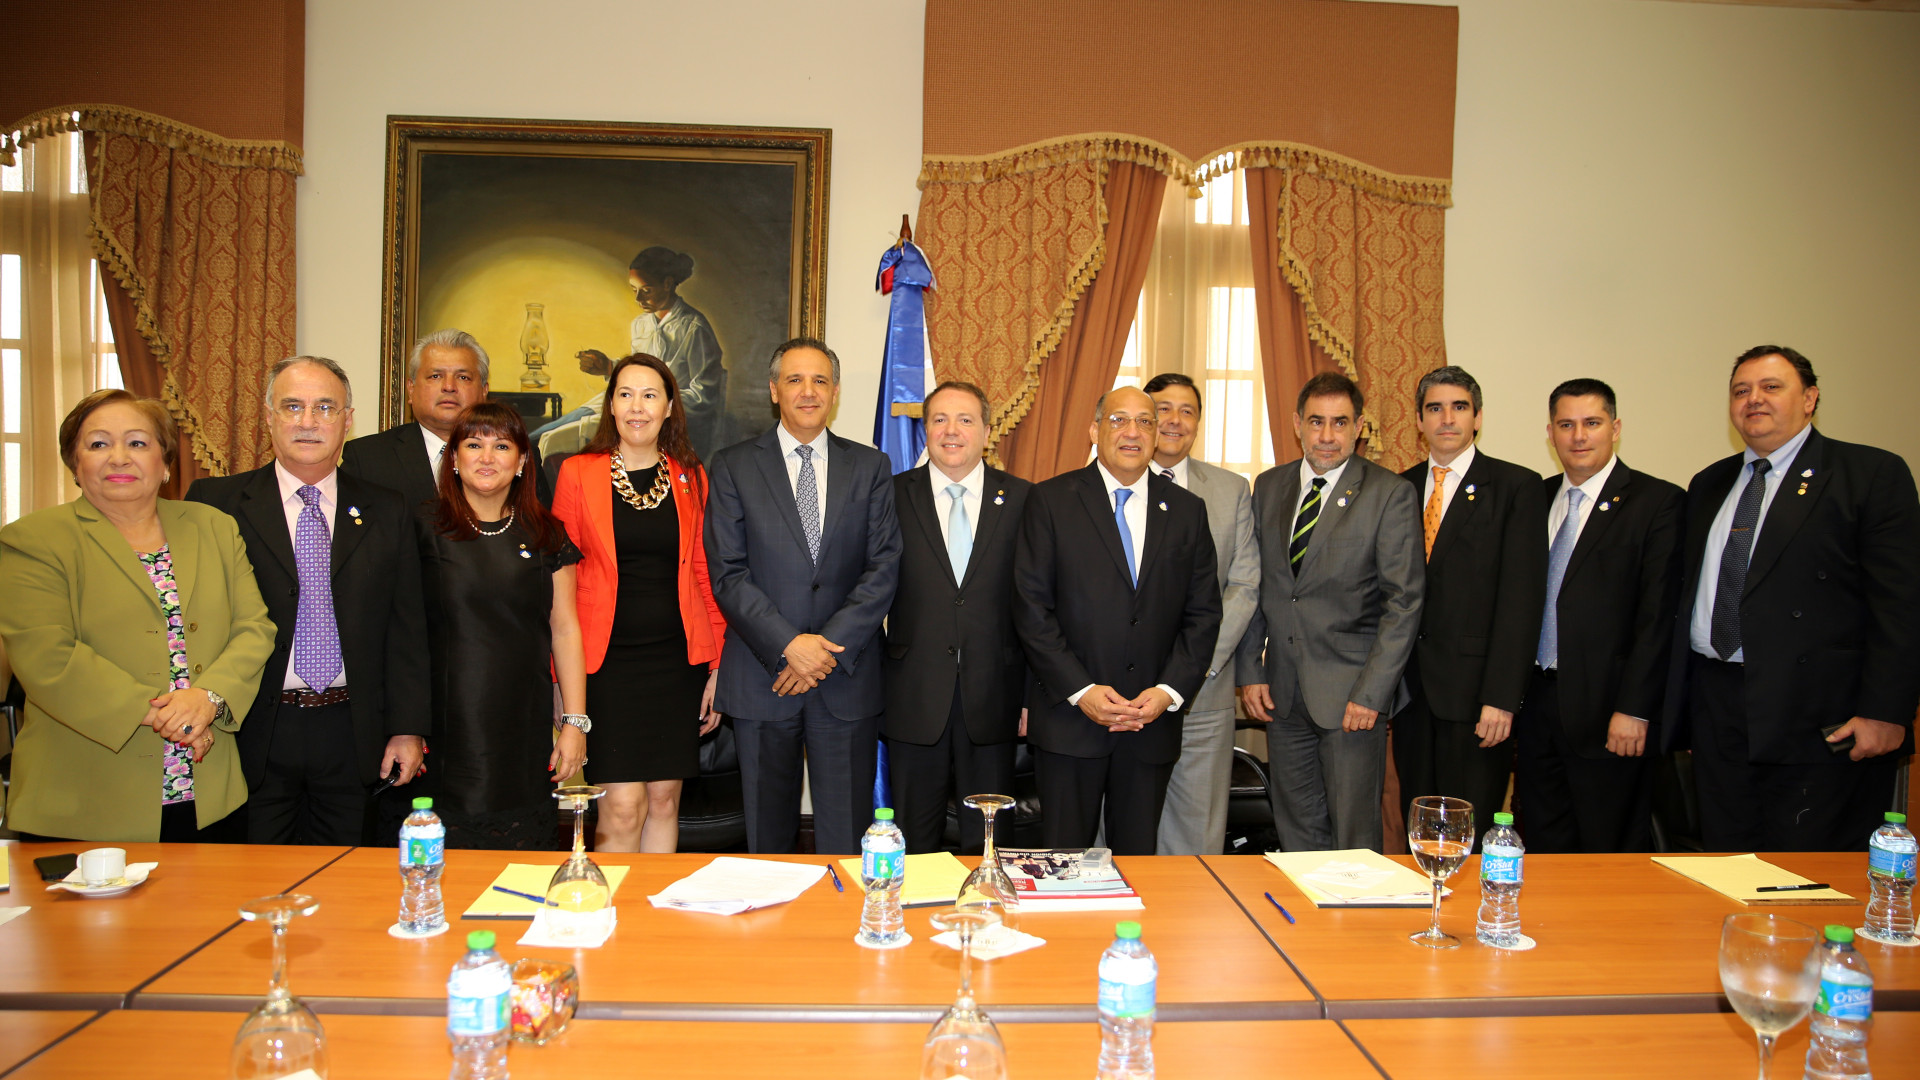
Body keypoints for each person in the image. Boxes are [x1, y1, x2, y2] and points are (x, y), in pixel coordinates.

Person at [1665, 345, 1920, 851]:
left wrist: (1886, 711)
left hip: (1820, 718)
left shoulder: (1868, 473)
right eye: (1741, 390)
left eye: (1771, 387)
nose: (1753, 399)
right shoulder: (1709, 483)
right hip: (1718, 708)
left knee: (1808, 873)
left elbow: (1901, 604)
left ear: (1810, 399)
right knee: (1726, 862)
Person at [0, 390, 275, 842]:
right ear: (75, 463)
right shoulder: (34, 539)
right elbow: (48, 657)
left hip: (209, 793)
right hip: (85, 798)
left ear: (165, 462)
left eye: (137, 443)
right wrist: (174, 717)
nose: (119, 457)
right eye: (98, 444)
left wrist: (207, 698)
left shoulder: (213, 526)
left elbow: (254, 628)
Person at [188, 356, 431, 845]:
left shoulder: (387, 508)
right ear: (269, 417)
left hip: (352, 730)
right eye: (292, 406)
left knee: (344, 877)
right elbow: (194, 620)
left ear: (347, 419)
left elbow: (406, 626)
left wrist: (407, 728)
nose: (308, 421)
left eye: (324, 407)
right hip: (251, 728)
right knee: (250, 878)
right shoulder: (215, 504)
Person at [704, 338, 900, 854]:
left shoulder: (871, 467)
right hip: (763, 677)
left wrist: (823, 649)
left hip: (846, 678)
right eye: (794, 380)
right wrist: (789, 644)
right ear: (775, 391)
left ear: (834, 392)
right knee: (767, 843)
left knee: (847, 841)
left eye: (819, 381)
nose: (808, 391)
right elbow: (728, 572)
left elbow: (883, 567)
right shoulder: (732, 465)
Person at [1013, 385, 1221, 856]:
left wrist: (1168, 691)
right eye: (1118, 420)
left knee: (1138, 865)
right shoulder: (1050, 500)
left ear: (1156, 434)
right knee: (1063, 863)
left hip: (1150, 723)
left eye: (1145, 421)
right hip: (1070, 720)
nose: (1133, 431)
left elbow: (1204, 614)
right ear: (1094, 430)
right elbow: (1031, 609)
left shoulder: (1187, 510)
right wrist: (1082, 691)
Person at [1236, 373, 1423, 852]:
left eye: (1340, 423)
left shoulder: (1389, 493)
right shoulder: (1269, 486)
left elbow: (1402, 603)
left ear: (1358, 427)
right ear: (1297, 424)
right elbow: (1257, 585)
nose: (1326, 435)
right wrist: (1251, 672)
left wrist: (1372, 694)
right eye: (1316, 421)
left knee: (1352, 836)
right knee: (1296, 829)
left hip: (1352, 698)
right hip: (1282, 693)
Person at [552, 354, 726, 853]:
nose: (637, 407)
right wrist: (561, 680)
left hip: (677, 662)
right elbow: (560, 584)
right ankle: (613, 903)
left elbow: (703, 573)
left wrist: (718, 665)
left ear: (669, 407)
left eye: (650, 395)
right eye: (625, 394)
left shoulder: (691, 476)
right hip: (606, 665)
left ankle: (652, 904)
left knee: (665, 801)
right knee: (623, 805)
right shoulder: (577, 473)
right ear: (610, 405)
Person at [1515, 380, 1682, 853]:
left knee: (1609, 853)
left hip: (1611, 713)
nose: (1579, 436)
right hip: (1536, 708)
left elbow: (1657, 617)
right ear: (1550, 433)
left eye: (1592, 423)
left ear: (1616, 427)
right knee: (1543, 849)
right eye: (1566, 425)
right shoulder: (1533, 498)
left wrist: (1635, 709)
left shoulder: (1656, 502)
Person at [416, 402, 588, 849]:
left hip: (524, 722)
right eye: (474, 445)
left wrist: (574, 723)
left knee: (522, 855)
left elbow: (566, 629)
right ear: (454, 459)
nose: (487, 457)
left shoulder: (548, 533)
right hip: (443, 725)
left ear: (523, 460)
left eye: (502, 446)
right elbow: (400, 631)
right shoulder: (421, 528)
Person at [882, 381, 1031, 855]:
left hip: (996, 696)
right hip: (912, 695)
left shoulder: (1025, 500)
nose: (952, 431)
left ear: (987, 431)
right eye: (940, 420)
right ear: (925, 430)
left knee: (989, 845)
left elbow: (1037, 607)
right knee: (914, 844)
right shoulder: (890, 496)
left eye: (965, 420)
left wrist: (1031, 696)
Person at [1395, 365, 1545, 833]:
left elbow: (1521, 602)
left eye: (1459, 407)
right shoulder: (1398, 488)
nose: (1447, 418)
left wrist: (1502, 698)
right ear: (1419, 420)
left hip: (1478, 699)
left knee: (1469, 830)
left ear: (1477, 417)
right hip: (1409, 695)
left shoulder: (1516, 487)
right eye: (1435, 408)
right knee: (1419, 828)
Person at [1141, 373, 1261, 856]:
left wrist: (1193, 667)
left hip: (1203, 692)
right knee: (1117, 831)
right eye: (1162, 409)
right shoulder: (1105, 485)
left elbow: (1244, 585)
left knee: (1196, 834)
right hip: (1124, 696)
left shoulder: (1232, 490)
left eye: (1186, 411)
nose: (1174, 420)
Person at [342, 328, 551, 511]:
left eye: (463, 377)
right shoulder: (367, 458)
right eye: (435, 376)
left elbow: (541, 531)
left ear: (484, 391)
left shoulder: (518, 455)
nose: (449, 387)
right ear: (411, 389)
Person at [559, 247, 726, 460]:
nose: (638, 298)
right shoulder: (641, 324)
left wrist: (654, 401)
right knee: (543, 435)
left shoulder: (693, 328)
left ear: (667, 284)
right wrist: (608, 367)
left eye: (646, 290)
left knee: (557, 439)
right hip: (630, 404)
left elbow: (704, 395)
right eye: (634, 290)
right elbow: (638, 373)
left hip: (666, 422)